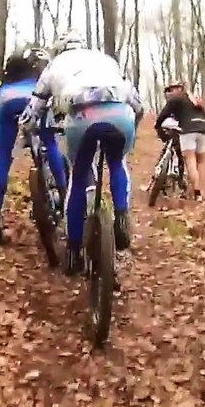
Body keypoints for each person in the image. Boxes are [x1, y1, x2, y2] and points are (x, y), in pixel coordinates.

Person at [19, 30, 144, 275]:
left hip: (82, 115)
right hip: (120, 113)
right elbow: (138, 104)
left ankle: (74, 251)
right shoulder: (106, 60)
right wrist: (133, 129)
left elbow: (34, 109)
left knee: (78, 177)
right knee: (117, 163)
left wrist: (27, 128)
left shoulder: (54, 66)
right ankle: (121, 216)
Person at [0, 46, 66, 246]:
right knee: (50, 143)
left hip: (7, 99)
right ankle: (65, 195)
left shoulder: (5, 76)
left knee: (3, 160)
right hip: (32, 97)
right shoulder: (42, 73)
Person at [154, 81, 205, 200]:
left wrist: (157, 125)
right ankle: (201, 192)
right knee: (199, 163)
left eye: (171, 90)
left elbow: (163, 114)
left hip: (188, 130)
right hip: (202, 129)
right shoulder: (194, 99)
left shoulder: (176, 99)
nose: (170, 93)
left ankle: (197, 193)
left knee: (190, 161)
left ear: (178, 89)